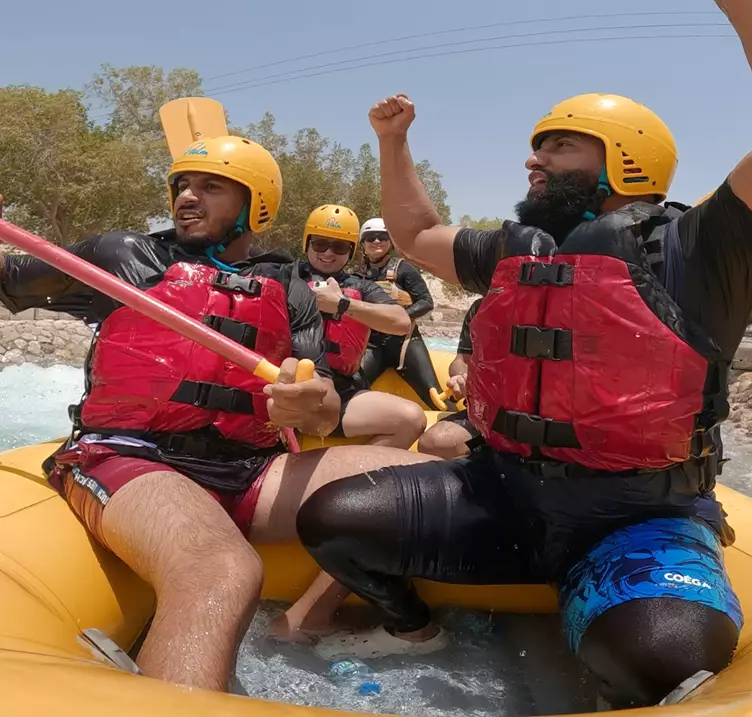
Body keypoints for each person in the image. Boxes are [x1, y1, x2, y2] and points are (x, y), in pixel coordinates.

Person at [295, 1, 752, 707]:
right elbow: (417, 229)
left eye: (557, 147)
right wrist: (392, 141)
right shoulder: (516, 249)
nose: (531, 161)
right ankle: (413, 628)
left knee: (664, 659)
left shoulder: (700, 249)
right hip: (503, 497)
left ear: (624, 160)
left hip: (636, 517)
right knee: (332, 519)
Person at [0, 135, 436, 692]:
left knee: (418, 490)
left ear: (256, 205)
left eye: (209, 186)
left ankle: (315, 617)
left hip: (250, 469)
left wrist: (309, 403)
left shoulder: (289, 287)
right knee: (222, 570)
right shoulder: (123, 256)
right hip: (129, 457)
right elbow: (10, 279)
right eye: (181, 184)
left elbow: (324, 407)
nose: (187, 197)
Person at [295, 204, 426, 446]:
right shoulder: (284, 275)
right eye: (320, 243)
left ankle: (354, 475)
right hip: (288, 389)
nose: (328, 253)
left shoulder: (362, 287)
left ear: (351, 250)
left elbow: (401, 322)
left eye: (340, 246)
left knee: (412, 419)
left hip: (341, 392)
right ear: (307, 242)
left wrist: (342, 305)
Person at [357, 217, 443, 407]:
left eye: (382, 237)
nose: (377, 241)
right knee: (352, 388)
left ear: (390, 242)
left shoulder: (404, 269)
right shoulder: (357, 275)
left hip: (405, 343)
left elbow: (426, 301)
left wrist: (399, 316)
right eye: (371, 237)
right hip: (372, 345)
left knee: (434, 395)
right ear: (363, 243)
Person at [416, 298, 481, 458]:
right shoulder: (481, 308)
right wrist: (463, 376)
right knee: (432, 443)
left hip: (540, 419)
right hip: (486, 413)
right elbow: (461, 360)